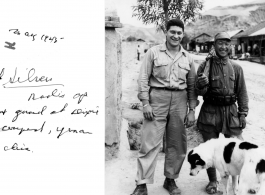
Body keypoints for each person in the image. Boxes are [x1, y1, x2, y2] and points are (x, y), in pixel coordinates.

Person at [131, 18, 198, 195]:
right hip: (157, 99)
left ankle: (171, 180)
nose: (176, 36)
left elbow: (192, 86)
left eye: (179, 33)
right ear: (166, 33)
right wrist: (145, 102)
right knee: (149, 142)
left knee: (177, 144)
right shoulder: (153, 53)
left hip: (180, 101)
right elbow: (143, 78)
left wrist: (192, 110)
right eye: (172, 32)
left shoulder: (188, 58)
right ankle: (142, 184)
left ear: (183, 35)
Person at [195, 32, 249, 194]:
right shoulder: (205, 66)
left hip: (231, 113)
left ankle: (236, 182)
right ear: (214, 45)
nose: (224, 47)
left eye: (227, 44)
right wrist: (201, 84)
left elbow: (242, 93)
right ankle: (212, 181)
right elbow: (199, 92)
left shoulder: (236, 68)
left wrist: (243, 113)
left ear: (230, 46)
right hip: (210, 112)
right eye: (220, 43)